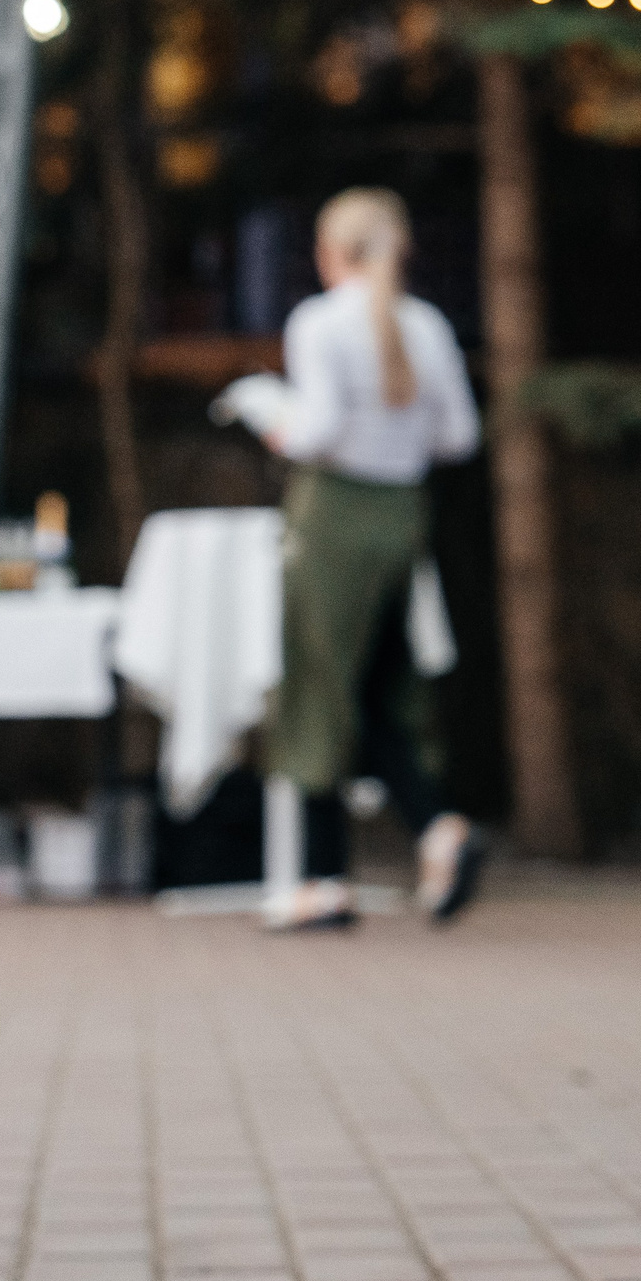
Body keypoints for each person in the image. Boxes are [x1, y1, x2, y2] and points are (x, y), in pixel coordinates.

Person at [258, 187, 484, 932]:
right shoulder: (427, 326)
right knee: (386, 688)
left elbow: (316, 428)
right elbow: (458, 438)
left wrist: (275, 424)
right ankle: (438, 827)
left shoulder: (320, 323)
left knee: (318, 687)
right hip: (403, 516)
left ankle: (325, 880)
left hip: (335, 517)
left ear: (333, 253)